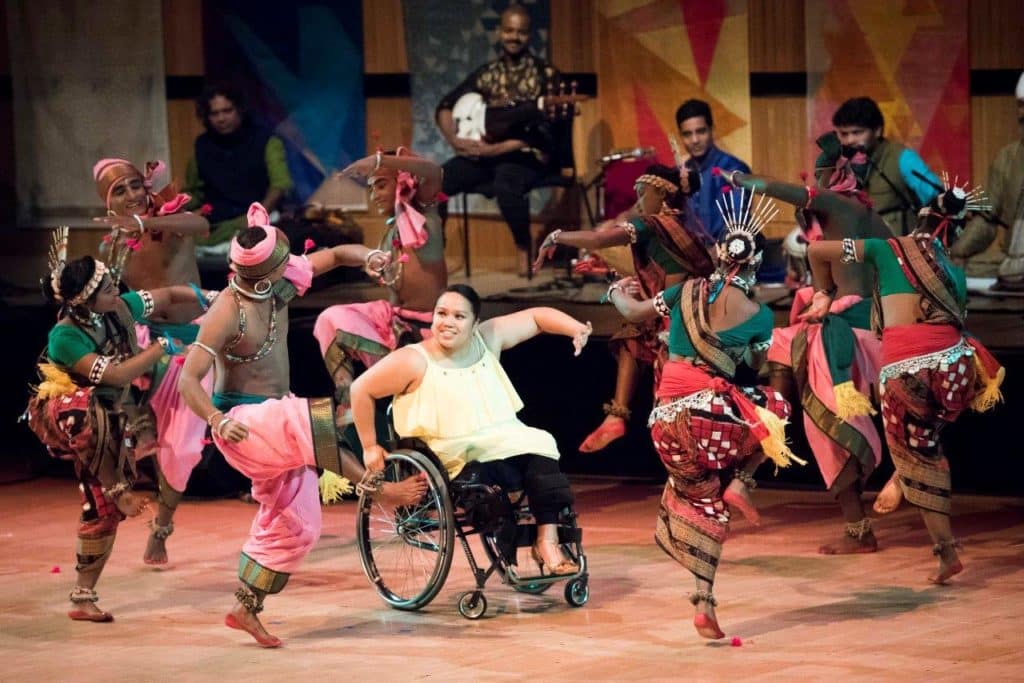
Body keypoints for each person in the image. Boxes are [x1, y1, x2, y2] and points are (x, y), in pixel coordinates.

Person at [178, 203, 425, 648]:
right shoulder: (227, 312)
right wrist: (215, 421)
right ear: (262, 276)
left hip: (276, 421)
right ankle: (381, 491)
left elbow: (331, 256)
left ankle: (246, 605)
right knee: (310, 419)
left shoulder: (277, 281)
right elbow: (187, 379)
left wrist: (368, 254)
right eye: (283, 267)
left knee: (299, 524)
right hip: (242, 422)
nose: (294, 270)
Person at [606, 190, 800, 640]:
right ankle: (743, 482)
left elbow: (634, 312)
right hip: (712, 418)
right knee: (774, 407)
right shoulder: (760, 313)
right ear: (753, 266)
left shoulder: (684, 290)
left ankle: (703, 601)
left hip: (665, 421)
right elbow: (752, 367)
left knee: (701, 502)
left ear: (718, 257)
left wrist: (616, 291)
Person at [805, 181, 1004, 585]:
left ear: (919, 220)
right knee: (937, 427)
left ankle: (943, 546)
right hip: (953, 368)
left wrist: (825, 292)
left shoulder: (885, 249)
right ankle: (911, 467)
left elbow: (815, 250)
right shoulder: (956, 273)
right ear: (953, 232)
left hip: (905, 369)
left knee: (917, 453)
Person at [24, 231, 204, 623]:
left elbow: (169, 295)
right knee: (87, 409)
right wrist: (163, 347)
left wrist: (207, 297)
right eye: (106, 289)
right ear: (83, 302)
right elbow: (118, 374)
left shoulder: (118, 309)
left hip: (106, 424)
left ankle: (82, 597)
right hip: (66, 418)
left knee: (101, 510)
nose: (116, 291)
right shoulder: (66, 336)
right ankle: (120, 488)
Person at [351, 284, 592, 575]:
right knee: (486, 487)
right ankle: (512, 544)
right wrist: (369, 445)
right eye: (441, 313)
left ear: (475, 322)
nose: (447, 322)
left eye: (459, 316)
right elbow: (361, 389)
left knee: (541, 449)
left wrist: (575, 328)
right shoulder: (414, 360)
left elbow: (537, 317)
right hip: (457, 456)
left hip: (506, 441)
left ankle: (547, 542)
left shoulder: (487, 338)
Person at [723, 164, 891, 553]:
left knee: (811, 409)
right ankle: (747, 475)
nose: (812, 187)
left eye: (818, 179)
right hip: (871, 331)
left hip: (851, 336)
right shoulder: (867, 218)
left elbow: (790, 192)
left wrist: (740, 180)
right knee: (784, 360)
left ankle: (751, 475)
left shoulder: (839, 206)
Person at [534, 164, 714, 452]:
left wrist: (556, 237)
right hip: (685, 314)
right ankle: (616, 416)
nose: (638, 203)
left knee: (672, 417)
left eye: (643, 194)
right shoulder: (681, 228)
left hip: (671, 322)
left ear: (662, 194)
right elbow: (659, 272)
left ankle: (618, 417)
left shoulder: (653, 224)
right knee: (632, 336)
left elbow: (598, 239)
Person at [91, 157, 215, 566]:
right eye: (119, 192)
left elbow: (201, 225)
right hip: (148, 345)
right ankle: (136, 432)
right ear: (109, 205)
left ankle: (162, 526)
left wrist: (146, 225)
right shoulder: (112, 245)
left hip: (193, 347)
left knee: (180, 452)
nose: (131, 196)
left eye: (133, 186)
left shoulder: (172, 221)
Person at [313, 149, 445, 428]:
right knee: (330, 319)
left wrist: (378, 161)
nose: (375, 196)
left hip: (427, 331)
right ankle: (348, 400)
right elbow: (385, 268)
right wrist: (372, 263)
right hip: (393, 322)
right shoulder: (391, 230)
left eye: (382, 185)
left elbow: (433, 170)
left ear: (405, 182)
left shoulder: (424, 212)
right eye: (372, 189)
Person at [435, 4, 562, 276]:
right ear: (499, 32)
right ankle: (436, 250)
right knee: (437, 182)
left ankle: (522, 246)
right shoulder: (487, 73)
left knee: (506, 180)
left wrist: (499, 148)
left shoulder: (545, 75)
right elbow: (445, 106)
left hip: (525, 154)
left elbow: (549, 133)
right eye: (509, 30)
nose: (514, 37)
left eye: (521, 32)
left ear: (530, 35)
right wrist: (455, 141)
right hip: (485, 155)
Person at [185, 83, 294, 249]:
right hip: (215, 224)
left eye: (227, 111)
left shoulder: (266, 141)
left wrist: (255, 219)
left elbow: (279, 186)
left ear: (240, 110)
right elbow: (194, 191)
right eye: (214, 113)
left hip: (257, 220)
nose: (221, 118)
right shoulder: (202, 145)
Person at [817, 96, 940, 236]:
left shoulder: (902, 157)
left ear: (877, 131)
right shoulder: (837, 162)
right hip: (853, 248)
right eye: (844, 134)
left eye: (857, 132)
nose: (849, 140)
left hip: (895, 249)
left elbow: (936, 200)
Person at [949, 72, 1024, 286]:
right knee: (951, 266)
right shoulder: (1008, 158)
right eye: (1021, 105)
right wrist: (959, 253)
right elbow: (986, 218)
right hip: (1013, 264)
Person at [675, 99, 751, 240]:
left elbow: (737, 223)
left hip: (727, 254)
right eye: (687, 134)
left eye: (701, 131)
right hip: (691, 256)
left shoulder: (734, 170)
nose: (695, 140)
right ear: (680, 136)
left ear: (712, 130)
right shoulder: (679, 175)